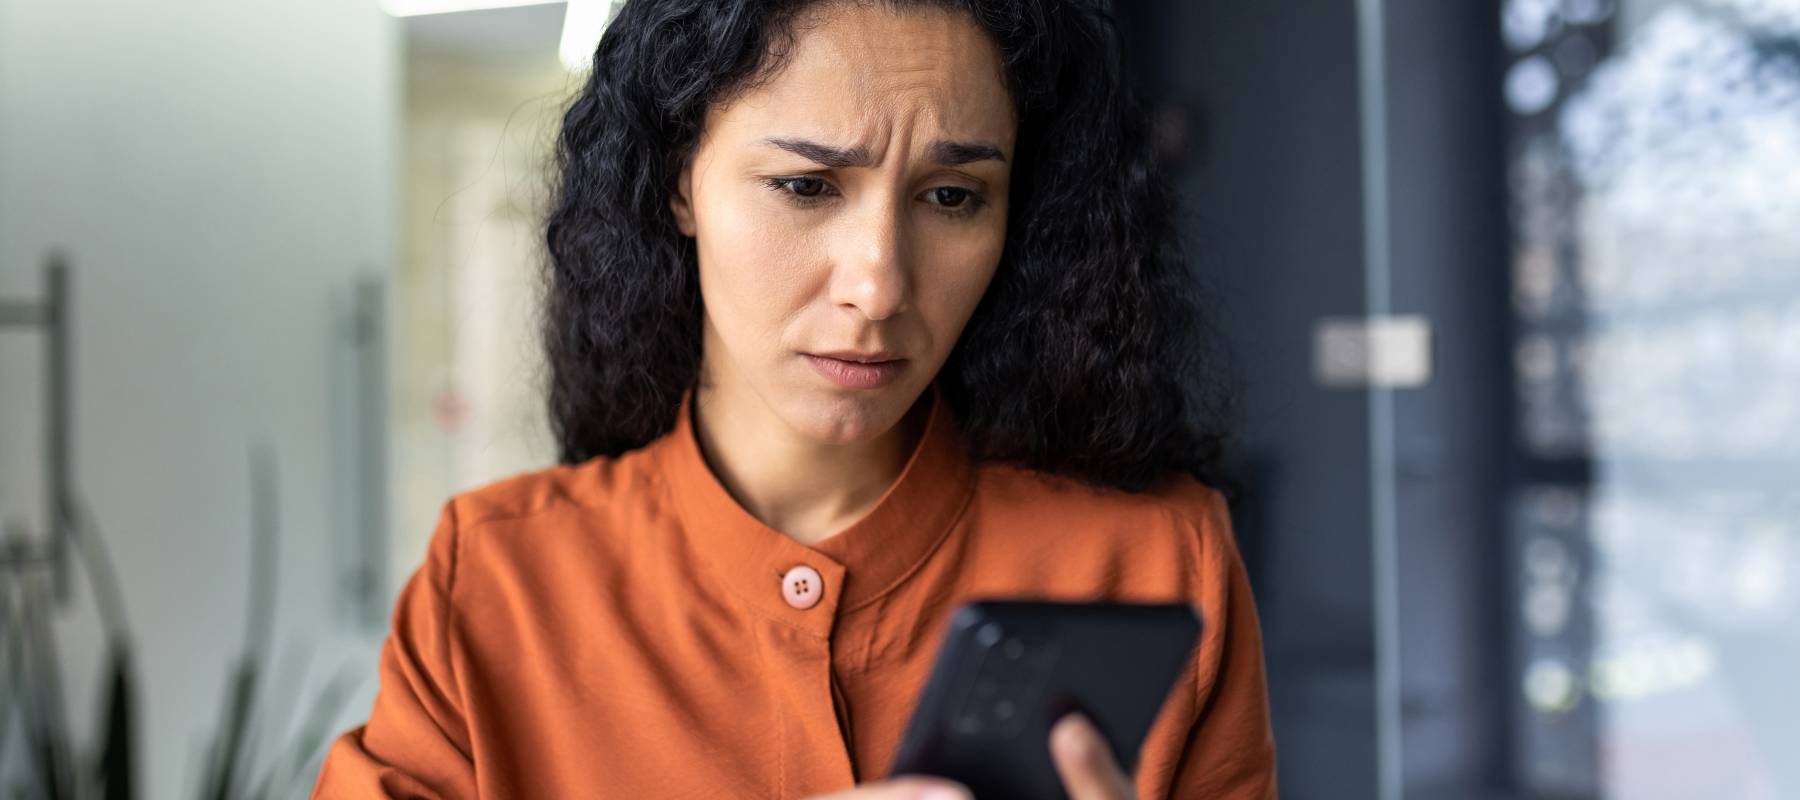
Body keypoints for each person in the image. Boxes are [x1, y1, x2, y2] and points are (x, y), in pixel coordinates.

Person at [311, 0, 1274, 796]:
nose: (880, 285)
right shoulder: (492, 586)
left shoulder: (1158, 562)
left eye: (952, 197)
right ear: (678, 181)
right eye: (808, 186)